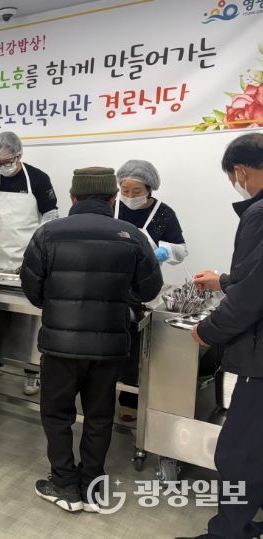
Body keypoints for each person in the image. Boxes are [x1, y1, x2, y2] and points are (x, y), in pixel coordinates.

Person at [20, 167, 162, 513]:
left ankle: (63, 483)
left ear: (73, 198)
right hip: (109, 346)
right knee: (99, 415)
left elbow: (32, 289)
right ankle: (92, 484)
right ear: (113, 199)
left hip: (60, 346)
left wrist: (59, 306)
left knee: (57, 414)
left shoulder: (47, 234)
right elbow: (150, 289)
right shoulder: (131, 236)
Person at [182, 133, 263, 539]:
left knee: (238, 452)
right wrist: (224, 280)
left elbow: (251, 297)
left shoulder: (259, 213)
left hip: (259, 359)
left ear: (241, 170)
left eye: (234, 178)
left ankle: (228, 533)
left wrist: (208, 330)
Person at [0, 131, 59, 395]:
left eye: (7, 161)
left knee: (30, 319)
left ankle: (32, 372)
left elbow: (51, 216)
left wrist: (39, 250)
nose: (2, 167)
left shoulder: (38, 178)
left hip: (28, 260)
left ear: (19, 155)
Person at [114, 159, 187, 421]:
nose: (129, 196)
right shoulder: (112, 206)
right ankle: (102, 392)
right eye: (125, 190)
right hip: (111, 284)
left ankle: (130, 398)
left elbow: (181, 250)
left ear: (149, 189)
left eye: (137, 191)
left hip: (143, 288)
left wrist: (163, 251)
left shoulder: (163, 213)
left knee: (134, 350)